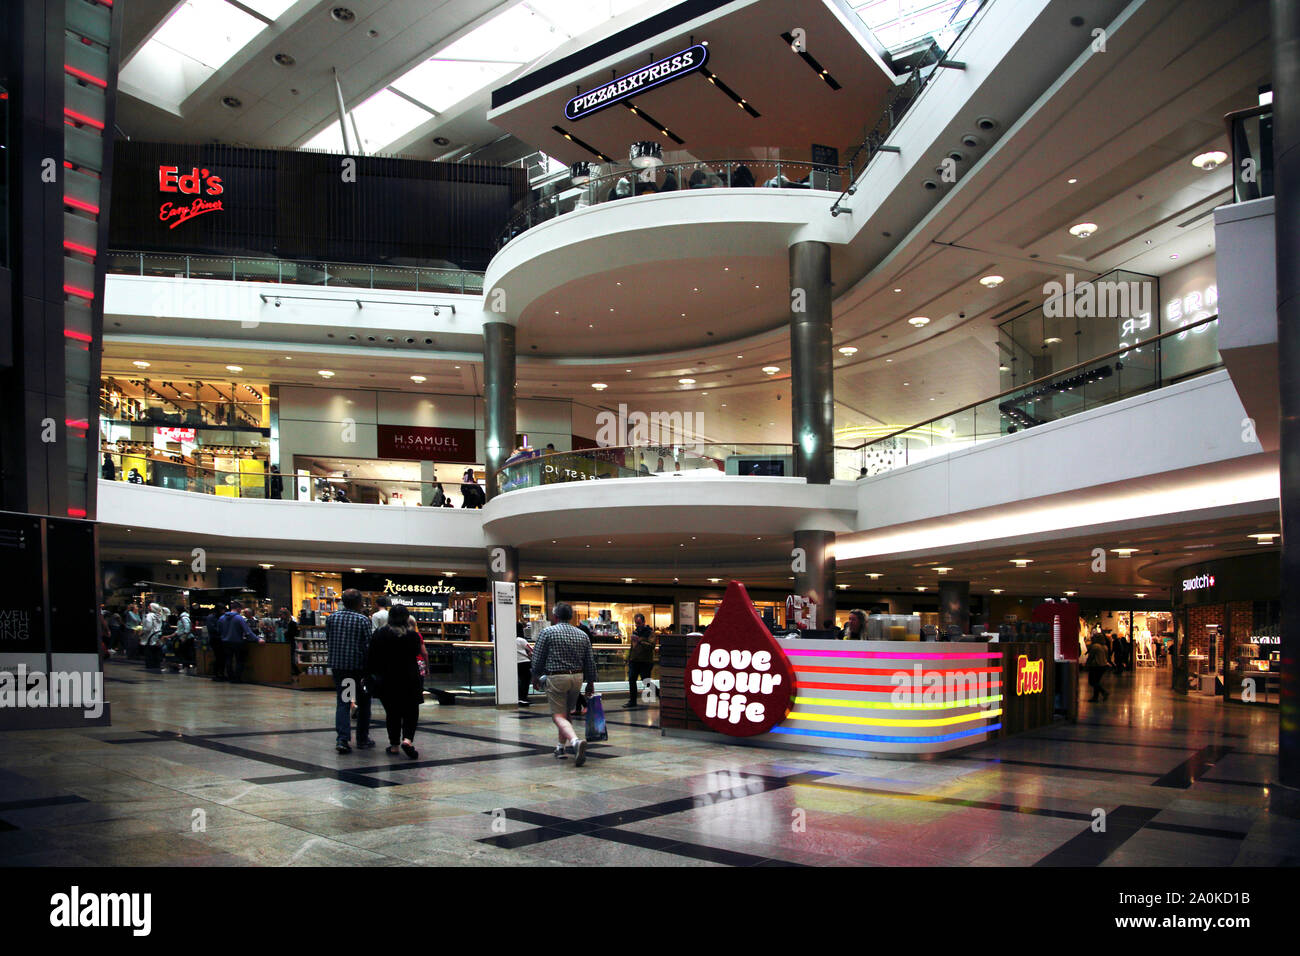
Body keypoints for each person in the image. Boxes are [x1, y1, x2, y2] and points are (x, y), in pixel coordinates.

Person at [530, 602, 597, 766]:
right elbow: (590, 661)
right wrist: (590, 683)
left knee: (558, 716)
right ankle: (560, 748)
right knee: (566, 713)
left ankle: (575, 742)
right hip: (577, 678)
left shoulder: (548, 632)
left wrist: (535, 676)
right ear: (571, 617)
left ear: (555, 616)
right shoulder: (582, 634)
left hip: (557, 678)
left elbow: (537, 658)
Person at [365, 604, 423, 759]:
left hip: (387, 679)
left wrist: (370, 675)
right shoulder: (413, 636)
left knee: (392, 713)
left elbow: (372, 656)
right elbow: (417, 653)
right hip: (410, 678)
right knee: (411, 711)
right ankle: (408, 740)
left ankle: (394, 745)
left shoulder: (380, 633)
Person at [326, 588, 375, 754]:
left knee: (344, 702)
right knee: (363, 702)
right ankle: (362, 738)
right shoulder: (362, 620)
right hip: (358, 669)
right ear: (359, 603)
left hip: (340, 668)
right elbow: (369, 645)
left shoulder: (332, 618)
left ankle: (342, 739)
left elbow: (328, 639)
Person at [218, 600, 264, 682]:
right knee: (239, 660)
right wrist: (257, 639)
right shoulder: (239, 618)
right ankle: (237, 678)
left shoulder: (222, 618)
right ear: (238, 609)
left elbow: (219, 630)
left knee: (228, 660)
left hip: (225, 642)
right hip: (237, 642)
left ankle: (230, 676)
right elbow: (247, 631)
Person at [624, 612, 656, 708]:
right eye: (636, 623)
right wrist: (628, 658)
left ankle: (659, 693)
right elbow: (632, 647)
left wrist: (640, 641)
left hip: (645, 661)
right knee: (632, 679)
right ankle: (632, 701)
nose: (637, 625)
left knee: (645, 680)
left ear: (644, 622)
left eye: (639, 623)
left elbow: (651, 646)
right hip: (634, 661)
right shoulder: (635, 632)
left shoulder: (650, 633)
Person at [1085, 632, 1110, 702]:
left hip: (1095, 666)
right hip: (1103, 665)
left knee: (1092, 681)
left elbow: (1091, 657)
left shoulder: (1095, 646)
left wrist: (1087, 665)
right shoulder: (1105, 647)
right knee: (1097, 681)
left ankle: (1103, 692)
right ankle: (1095, 697)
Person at [516, 624, 533, 706]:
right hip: (524, 663)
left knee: (519, 681)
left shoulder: (508, 640)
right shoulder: (521, 640)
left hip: (515, 663)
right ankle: (523, 698)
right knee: (525, 681)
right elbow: (531, 649)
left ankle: (519, 697)